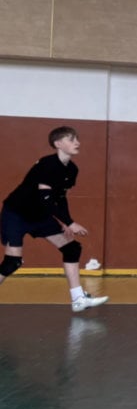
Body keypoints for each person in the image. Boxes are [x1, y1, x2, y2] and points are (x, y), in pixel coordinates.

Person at [0, 126, 108, 312]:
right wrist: (70, 223)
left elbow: (60, 197)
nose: (77, 143)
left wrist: (67, 221)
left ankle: (78, 299)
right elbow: (46, 198)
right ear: (58, 144)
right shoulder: (47, 164)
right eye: (71, 139)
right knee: (12, 262)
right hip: (16, 214)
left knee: (72, 248)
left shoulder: (72, 169)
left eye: (77, 139)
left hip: (40, 215)